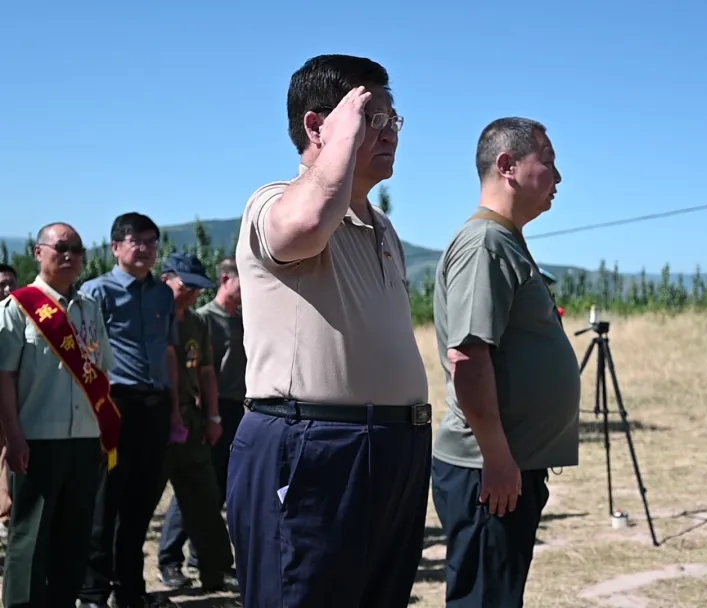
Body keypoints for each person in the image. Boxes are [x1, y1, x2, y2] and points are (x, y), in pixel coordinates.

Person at [227, 54, 431, 607]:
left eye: (393, 119)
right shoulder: (274, 201)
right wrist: (341, 139)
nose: (390, 133)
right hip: (313, 442)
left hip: (392, 446)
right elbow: (306, 223)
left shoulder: (380, 225)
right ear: (318, 126)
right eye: (372, 118)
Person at [431, 117, 581, 607]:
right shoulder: (486, 244)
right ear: (507, 166)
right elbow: (469, 358)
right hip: (487, 468)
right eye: (548, 161)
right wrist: (496, 457)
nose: (558, 176)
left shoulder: (505, 240)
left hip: (503, 465)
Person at [0, 223, 119, 607]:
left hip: (84, 440)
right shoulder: (17, 308)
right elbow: (4, 378)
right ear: (38, 252)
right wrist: (13, 437)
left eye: (77, 249)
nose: (70, 255)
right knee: (30, 539)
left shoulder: (90, 309)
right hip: (36, 440)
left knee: (74, 538)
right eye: (61, 247)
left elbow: (102, 371)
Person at [79, 213, 182, 608]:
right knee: (104, 503)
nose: (145, 249)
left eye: (151, 242)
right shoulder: (96, 292)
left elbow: (169, 352)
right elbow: (84, 355)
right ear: (116, 247)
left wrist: (174, 409)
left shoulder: (163, 295)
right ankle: (93, 591)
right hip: (114, 406)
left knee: (141, 502)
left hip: (154, 407)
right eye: (136, 241)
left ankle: (130, 590)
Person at [158, 257, 244, 589]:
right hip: (165, 415)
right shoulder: (160, 321)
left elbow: (206, 370)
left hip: (205, 415)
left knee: (207, 493)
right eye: (187, 286)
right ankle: (169, 560)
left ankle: (211, 564)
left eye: (197, 288)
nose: (193, 294)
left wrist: (213, 416)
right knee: (176, 495)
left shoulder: (198, 322)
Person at [0, 262, 17, 537]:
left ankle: (4, 514)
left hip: (10, 395)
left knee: (5, 451)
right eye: (1, 285)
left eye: (10, 284)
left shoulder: (19, 316)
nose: (6, 289)